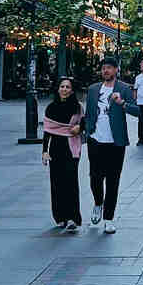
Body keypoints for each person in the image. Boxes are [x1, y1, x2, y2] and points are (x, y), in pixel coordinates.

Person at [82, 57, 139, 234]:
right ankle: (98, 202)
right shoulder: (92, 90)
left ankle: (109, 218)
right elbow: (89, 113)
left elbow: (137, 111)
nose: (105, 71)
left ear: (116, 70)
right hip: (95, 139)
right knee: (95, 177)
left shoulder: (123, 88)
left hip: (116, 142)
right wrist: (85, 130)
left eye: (109, 68)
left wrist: (122, 103)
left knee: (113, 180)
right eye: (103, 68)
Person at [41, 77, 83, 232]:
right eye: (62, 86)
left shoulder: (77, 107)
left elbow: (84, 123)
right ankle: (60, 217)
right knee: (56, 183)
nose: (64, 89)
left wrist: (79, 127)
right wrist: (45, 151)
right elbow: (47, 131)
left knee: (71, 182)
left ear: (72, 90)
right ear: (58, 89)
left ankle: (73, 218)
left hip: (72, 147)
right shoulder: (51, 108)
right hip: (56, 148)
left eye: (67, 87)